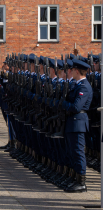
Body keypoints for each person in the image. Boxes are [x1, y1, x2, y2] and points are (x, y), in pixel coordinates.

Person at [61, 59, 93, 193]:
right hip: (72, 122)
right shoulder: (77, 85)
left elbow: (76, 106)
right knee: (72, 152)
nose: (70, 72)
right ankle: (74, 177)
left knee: (78, 152)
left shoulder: (84, 86)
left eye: (72, 70)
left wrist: (63, 104)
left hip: (78, 122)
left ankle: (81, 182)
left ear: (77, 71)